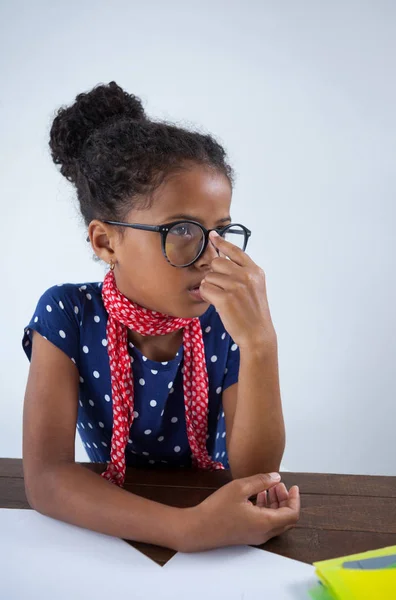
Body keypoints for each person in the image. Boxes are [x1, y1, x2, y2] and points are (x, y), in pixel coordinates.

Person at [22, 81, 300, 552]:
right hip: (115, 523)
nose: (211, 255)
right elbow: (46, 479)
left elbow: (254, 474)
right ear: (107, 242)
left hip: (211, 506)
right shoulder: (66, 314)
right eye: (183, 230)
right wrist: (187, 530)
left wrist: (260, 343)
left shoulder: (223, 321)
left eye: (221, 231)